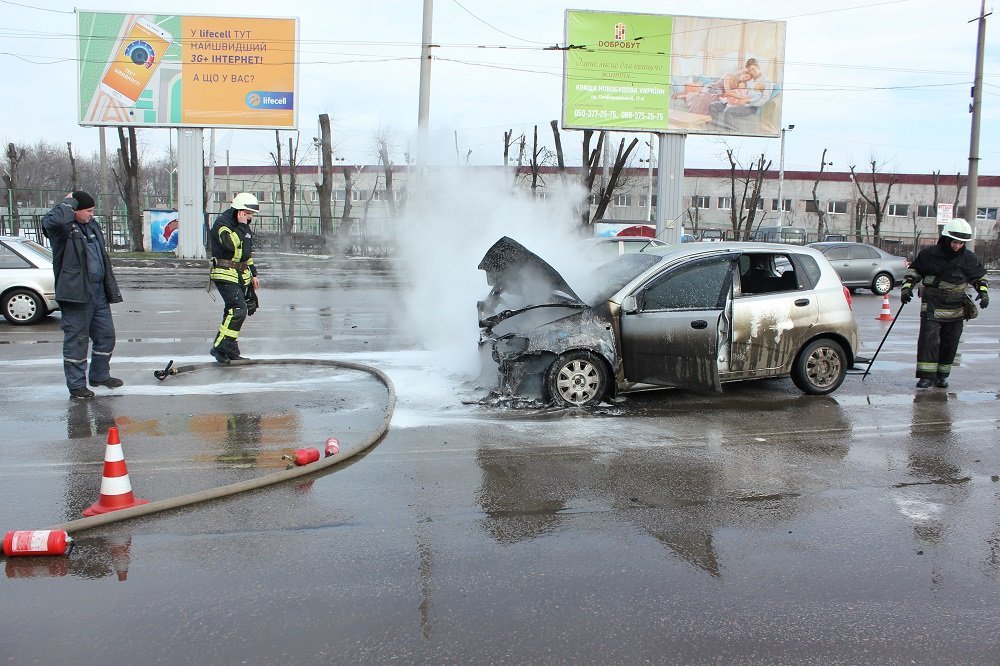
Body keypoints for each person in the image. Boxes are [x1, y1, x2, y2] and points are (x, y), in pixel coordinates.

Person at [41, 191, 123, 399]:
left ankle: (99, 375)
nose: (91, 215)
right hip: (76, 294)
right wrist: (68, 202)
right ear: (74, 210)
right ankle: (77, 385)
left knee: (106, 336)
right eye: (88, 211)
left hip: (98, 293)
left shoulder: (91, 226)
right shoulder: (63, 229)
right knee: (77, 341)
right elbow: (53, 222)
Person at [899, 218, 989, 389]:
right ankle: (926, 377)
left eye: (961, 243)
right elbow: (914, 272)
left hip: (956, 306)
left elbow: (979, 277)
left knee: (950, 342)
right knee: (928, 341)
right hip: (932, 303)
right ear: (946, 239)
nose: (958, 246)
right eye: (955, 242)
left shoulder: (968, 258)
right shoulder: (929, 255)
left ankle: (942, 376)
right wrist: (906, 289)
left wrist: (983, 294)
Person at [209, 192, 261, 364]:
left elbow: (247, 253)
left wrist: (253, 274)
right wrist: (241, 226)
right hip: (224, 273)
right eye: (248, 214)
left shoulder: (244, 228)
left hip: (239, 275)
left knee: (235, 311)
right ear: (240, 211)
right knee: (238, 310)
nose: (250, 218)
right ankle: (219, 348)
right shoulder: (222, 224)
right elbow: (229, 243)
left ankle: (229, 350)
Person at [709, 58, 773, 130]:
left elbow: (763, 100)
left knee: (729, 111)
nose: (752, 72)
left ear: (758, 67)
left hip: (751, 107)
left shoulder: (767, 82)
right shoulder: (749, 78)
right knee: (713, 106)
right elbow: (738, 81)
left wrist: (747, 101)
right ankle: (713, 132)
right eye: (750, 70)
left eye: (753, 69)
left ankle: (729, 135)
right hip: (737, 102)